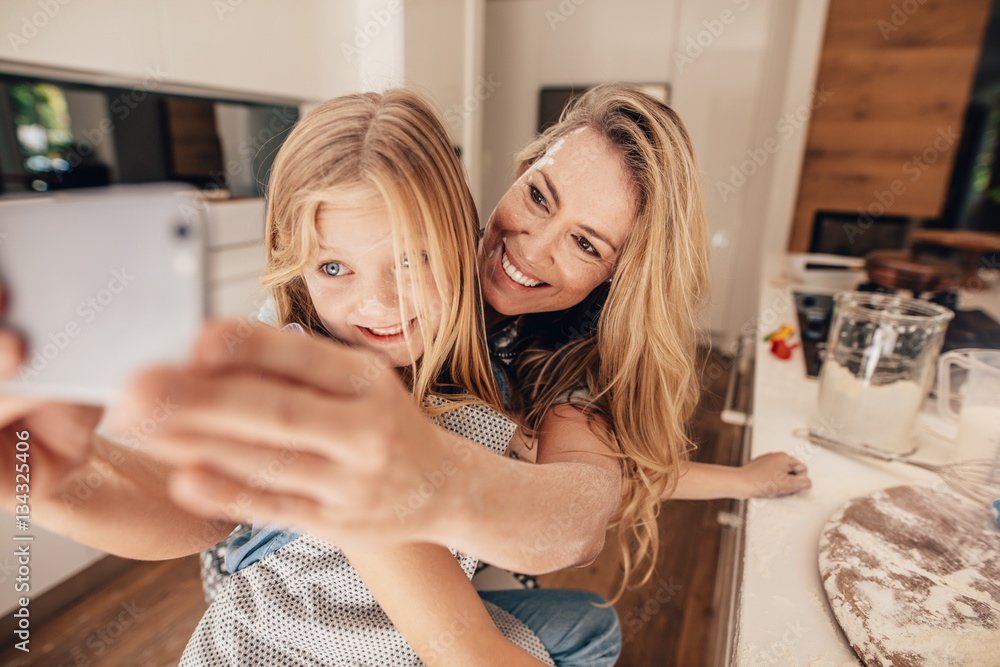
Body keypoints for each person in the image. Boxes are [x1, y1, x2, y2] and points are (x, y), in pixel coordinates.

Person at [1, 90, 623, 665]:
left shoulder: (486, 368)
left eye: (412, 258)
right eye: (333, 267)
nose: (378, 304)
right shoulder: (307, 378)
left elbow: (586, 502)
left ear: (462, 239)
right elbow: (192, 502)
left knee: (592, 626)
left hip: (396, 635)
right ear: (298, 271)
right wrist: (66, 484)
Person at [126, 85, 809, 598]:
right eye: (540, 196)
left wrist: (434, 478)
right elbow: (196, 503)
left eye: (583, 242)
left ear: (618, 275)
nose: (530, 250)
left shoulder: (567, 362)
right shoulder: (364, 275)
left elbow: (590, 497)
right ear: (521, 168)